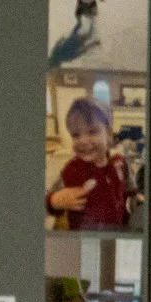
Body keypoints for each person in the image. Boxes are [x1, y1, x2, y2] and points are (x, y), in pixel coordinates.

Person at [47, 96, 133, 229]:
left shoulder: (120, 163)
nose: (83, 140)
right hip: (84, 239)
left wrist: (136, 198)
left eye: (92, 132)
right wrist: (53, 201)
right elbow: (48, 199)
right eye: (76, 135)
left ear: (109, 134)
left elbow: (129, 189)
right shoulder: (70, 170)